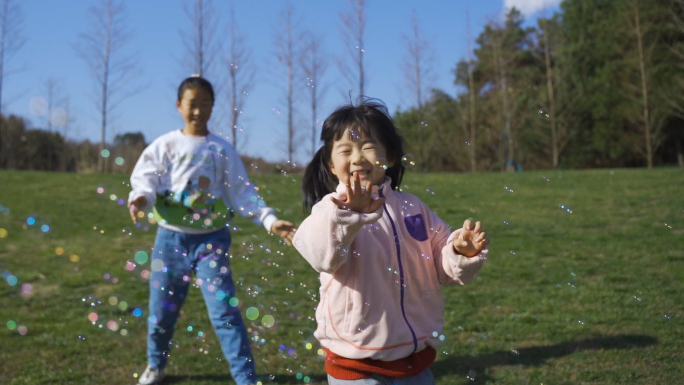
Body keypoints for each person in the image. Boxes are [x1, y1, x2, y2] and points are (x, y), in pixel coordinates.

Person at [292, 99, 489, 385]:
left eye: (368, 147)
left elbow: (443, 268)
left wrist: (460, 252)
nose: (358, 157)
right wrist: (349, 215)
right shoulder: (330, 210)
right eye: (345, 150)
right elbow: (322, 256)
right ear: (331, 165)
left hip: (415, 359)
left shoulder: (414, 208)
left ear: (391, 157)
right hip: (355, 362)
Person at [128, 76, 296, 385]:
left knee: (224, 312)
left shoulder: (221, 150)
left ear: (212, 107)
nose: (198, 111)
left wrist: (270, 220)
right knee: (161, 313)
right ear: (179, 105)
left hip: (211, 242)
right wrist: (141, 196)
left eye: (205, 104)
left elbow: (243, 193)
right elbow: (146, 178)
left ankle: (245, 378)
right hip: (170, 240)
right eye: (193, 104)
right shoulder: (165, 145)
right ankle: (155, 366)